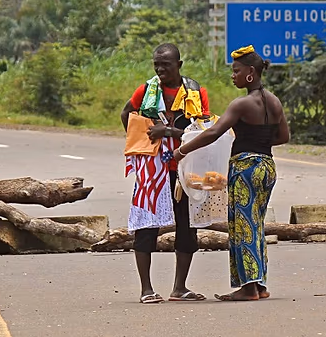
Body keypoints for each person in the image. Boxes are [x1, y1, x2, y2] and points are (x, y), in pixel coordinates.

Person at [174, 45, 290, 301]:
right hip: (267, 167)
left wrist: (182, 150)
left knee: (243, 226)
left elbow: (214, 132)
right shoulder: (274, 101)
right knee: (256, 224)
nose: (233, 75)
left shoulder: (241, 104)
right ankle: (259, 285)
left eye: (236, 71)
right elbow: (283, 136)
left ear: (251, 73)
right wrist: (259, 140)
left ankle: (248, 288)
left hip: (245, 169)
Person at [120, 43, 210, 304]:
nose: (160, 70)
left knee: (187, 227)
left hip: (184, 168)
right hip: (153, 170)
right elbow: (126, 113)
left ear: (179, 65)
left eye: (166, 65)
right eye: (156, 65)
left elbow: (204, 131)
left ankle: (179, 288)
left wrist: (169, 132)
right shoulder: (146, 90)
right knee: (146, 225)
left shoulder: (195, 91)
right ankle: (146, 289)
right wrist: (142, 138)